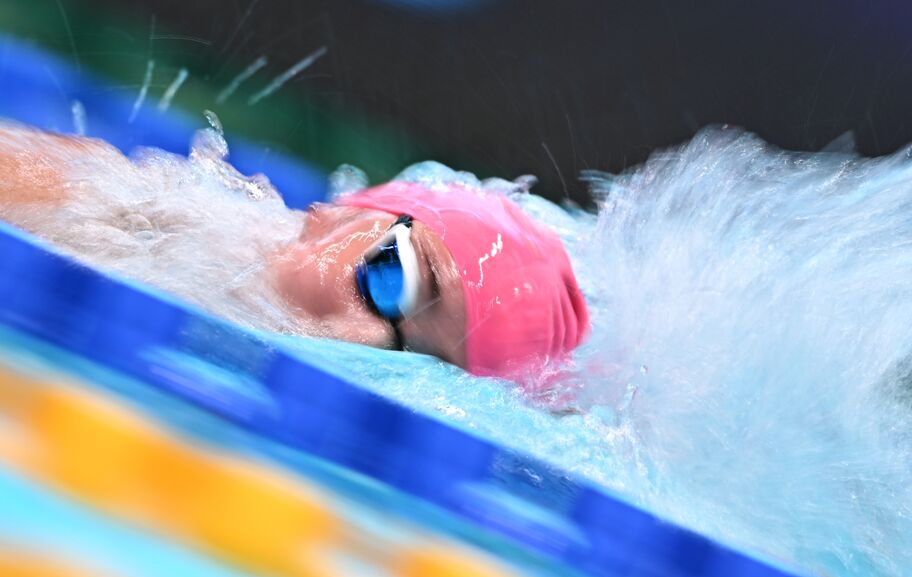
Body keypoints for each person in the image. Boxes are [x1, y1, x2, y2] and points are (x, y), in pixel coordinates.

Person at [0, 123, 589, 380]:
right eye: (391, 279)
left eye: (412, 363)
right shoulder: (138, 213)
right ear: (331, 215)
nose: (360, 342)